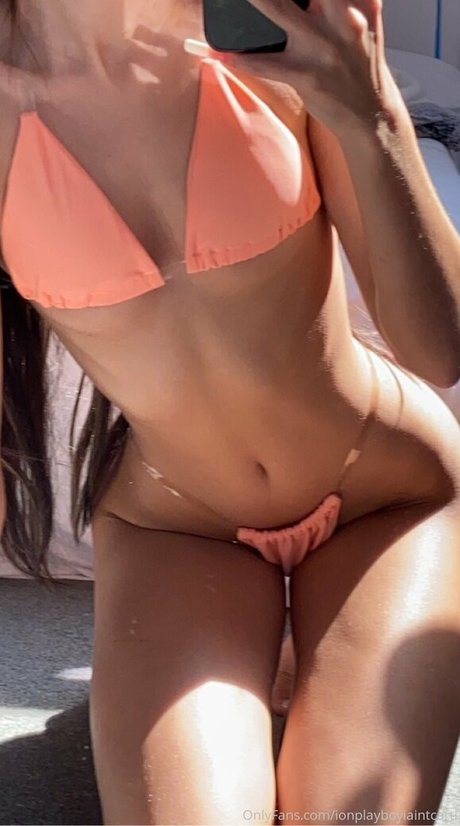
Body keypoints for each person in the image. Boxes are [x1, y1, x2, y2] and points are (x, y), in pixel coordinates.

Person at [0, 0, 459, 823]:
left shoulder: (284, 24)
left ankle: (304, 650)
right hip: (178, 528)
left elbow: (440, 352)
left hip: (388, 492)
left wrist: (373, 115)